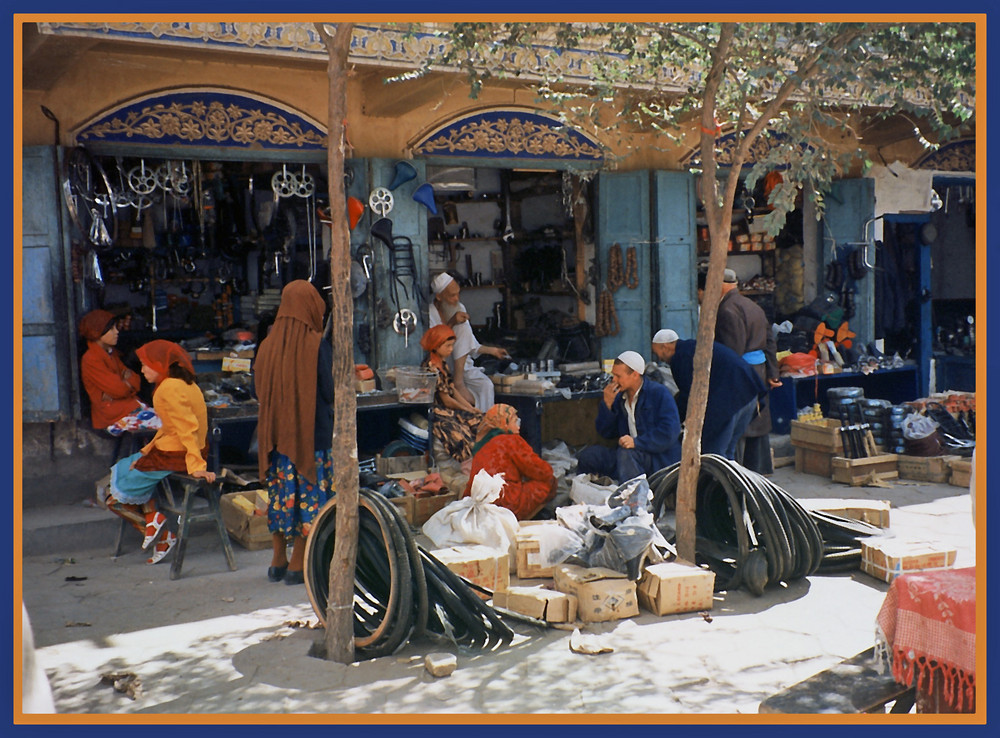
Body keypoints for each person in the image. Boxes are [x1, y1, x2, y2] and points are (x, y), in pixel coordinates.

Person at [252, 280, 334, 586]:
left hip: (275, 438)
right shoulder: (316, 345)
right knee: (309, 498)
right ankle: (298, 565)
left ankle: (277, 561)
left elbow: (256, 389)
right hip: (313, 437)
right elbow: (328, 391)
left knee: (281, 497)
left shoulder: (266, 346)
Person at [105, 340, 215, 565]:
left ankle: (160, 530)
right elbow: (170, 427)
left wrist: (196, 467)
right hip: (177, 449)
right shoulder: (184, 383)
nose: (142, 370)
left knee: (111, 500)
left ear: (160, 364)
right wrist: (146, 451)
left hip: (176, 454)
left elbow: (187, 428)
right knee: (131, 465)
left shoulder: (169, 388)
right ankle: (158, 529)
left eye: (146, 365)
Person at [699, 269, 782, 473]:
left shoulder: (727, 310)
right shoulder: (754, 307)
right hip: (758, 370)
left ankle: (739, 472)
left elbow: (732, 351)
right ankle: (757, 470)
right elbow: (770, 343)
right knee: (754, 419)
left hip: (741, 373)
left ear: (720, 286)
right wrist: (773, 373)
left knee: (736, 423)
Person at [651, 330, 767, 461]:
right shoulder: (691, 347)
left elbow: (688, 394)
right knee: (728, 453)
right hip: (748, 394)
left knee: (715, 456)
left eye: (657, 353)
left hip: (732, 400)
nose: (659, 358)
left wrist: (672, 419)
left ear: (665, 347)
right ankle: (728, 481)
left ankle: (719, 481)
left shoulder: (680, 357)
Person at [576, 350, 682, 484]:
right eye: (613, 375)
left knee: (626, 454)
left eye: (618, 376)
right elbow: (606, 433)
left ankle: (634, 500)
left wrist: (637, 442)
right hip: (628, 456)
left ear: (635, 375)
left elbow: (669, 432)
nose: (614, 380)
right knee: (588, 456)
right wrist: (607, 406)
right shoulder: (620, 398)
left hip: (657, 458)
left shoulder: (658, 393)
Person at [429, 271, 509, 411]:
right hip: (443, 364)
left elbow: (470, 344)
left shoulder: (459, 308)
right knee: (461, 327)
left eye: (458, 294)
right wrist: (452, 322)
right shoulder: (430, 313)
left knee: (485, 385)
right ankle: (459, 384)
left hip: (461, 365)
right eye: (452, 295)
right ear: (439, 297)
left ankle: (483, 424)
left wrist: (493, 351)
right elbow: (435, 345)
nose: (457, 299)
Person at [463, 403, 557, 520]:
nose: (518, 427)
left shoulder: (481, 444)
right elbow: (542, 471)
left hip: (477, 504)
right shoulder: (511, 441)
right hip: (505, 503)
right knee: (549, 482)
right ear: (505, 423)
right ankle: (522, 519)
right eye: (515, 421)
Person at [78, 309, 161, 436]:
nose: (117, 332)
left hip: (128, 408)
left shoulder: (111, 353)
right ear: (97, 333)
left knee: (174, 419)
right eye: (111, 329)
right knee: (171, 425)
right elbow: (119, 390)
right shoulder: (91, 359)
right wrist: (125, 384)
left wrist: (124, 384)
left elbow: (136, 381)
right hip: (113, 417)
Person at [420, 324, 484, 463]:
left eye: (452, 345)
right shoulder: (431, 367)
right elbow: (446, 400)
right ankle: (470, 465)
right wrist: (467, 408)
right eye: (447, 346)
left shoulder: (444, 364)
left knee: (481, 420)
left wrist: (471, 408)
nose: (451, 349)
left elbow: (453, 390)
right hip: (438, 412)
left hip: (450, 409)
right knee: (461, 437)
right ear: (436, 346)